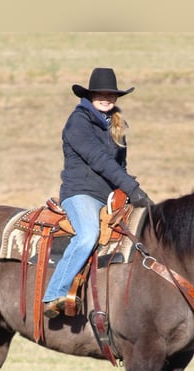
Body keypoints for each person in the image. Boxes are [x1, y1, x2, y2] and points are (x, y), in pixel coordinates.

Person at [42, 67, 152, 318]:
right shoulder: (78, 122)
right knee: (88, 234)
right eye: (100, 94)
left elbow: (120, 165)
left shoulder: (116, 124)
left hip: (110, 197)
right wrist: (133, 189)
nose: (106, 98)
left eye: (111, 95)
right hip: (81, 192)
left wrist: (131, 193)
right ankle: (54, 293)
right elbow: (98, 159)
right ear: (90, 96)